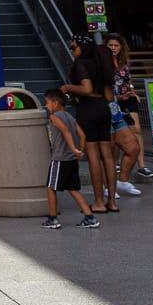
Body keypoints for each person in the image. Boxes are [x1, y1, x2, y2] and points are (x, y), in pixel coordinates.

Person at [64, 36, 118, 213]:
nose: (72, 51)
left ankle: (99, 202)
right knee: (108, 156)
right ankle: (112, 201)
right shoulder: (102, 64)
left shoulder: (82, 64)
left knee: (93, 155)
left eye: (74, 48)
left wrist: (67, 88)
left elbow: (86, 89)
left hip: (88, 109)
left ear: (82, 48)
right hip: (104, 107)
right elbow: (110, 96)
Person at [42, 90, 100, 230]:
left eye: (47, 103)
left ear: (55, 103)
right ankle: (89, 217)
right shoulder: (70, 116)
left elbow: (65, 131)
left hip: (60, 159)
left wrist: (74, 149)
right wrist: (79, 150)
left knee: (51, 188)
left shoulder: (54, 117)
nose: (46, 106)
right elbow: (82, 135)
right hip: (72, 160)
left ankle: (52, 218)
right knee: (73, 189)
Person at [104, 33, 151, 190]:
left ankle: (142, 165)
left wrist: (133, 91)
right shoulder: (103, 62)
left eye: (116, 45)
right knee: (117, 132)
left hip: (128, 97)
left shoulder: (124, 62)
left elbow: (128, 81)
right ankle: (117, 163)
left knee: (136, 129)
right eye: (110, 45)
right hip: (114, 99)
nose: (113, 48)